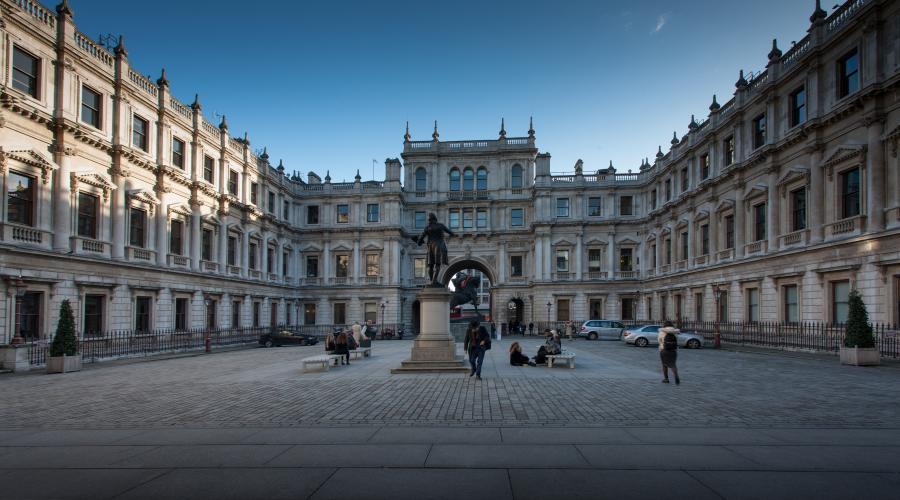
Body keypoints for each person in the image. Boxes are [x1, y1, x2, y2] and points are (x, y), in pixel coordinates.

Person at [414, 213, 455, 285]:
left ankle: (431, 281)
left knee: (430, 265)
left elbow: (420, 239)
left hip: (430, 247)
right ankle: (434, 280)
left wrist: (419, 242)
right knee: (437, 264)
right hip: (439, 246)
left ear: (429, 220)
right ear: (435, 219)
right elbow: (451, 233)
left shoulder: (427, 228)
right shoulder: (440, 225)